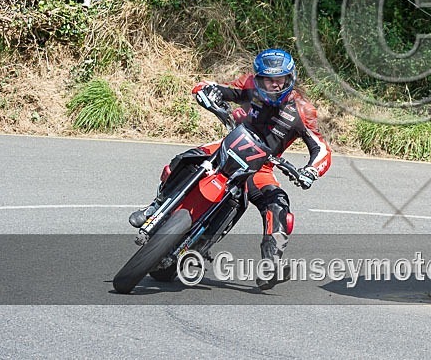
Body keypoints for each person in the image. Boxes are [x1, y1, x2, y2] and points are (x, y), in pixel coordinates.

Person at [129, 48, 332, 290]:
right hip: (229, 146)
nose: (275, 85)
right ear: (258, 78)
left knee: (279, 205)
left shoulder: (302, 110)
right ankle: (156, 205)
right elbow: (218, 87)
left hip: (261, 167)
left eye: (281, 80)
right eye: (269, 79)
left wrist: (310, 171)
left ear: (291, 79)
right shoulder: (249, 86)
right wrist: (206, 91)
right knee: (186, 158)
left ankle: (271, 265)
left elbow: (321, 148)